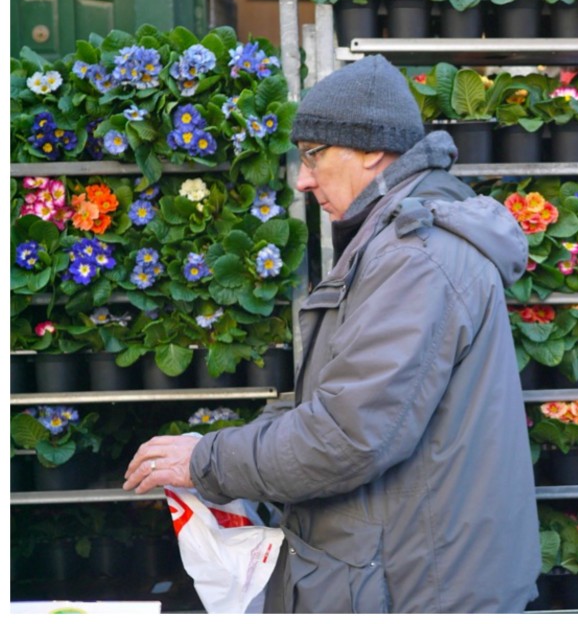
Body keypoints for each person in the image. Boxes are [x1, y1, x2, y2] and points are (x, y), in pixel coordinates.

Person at [124, 54, 541, 613]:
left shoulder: (415, 257)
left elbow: (348, 437)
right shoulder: (402, 242)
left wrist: (208, 461)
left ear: (371, 150)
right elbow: (346, 408)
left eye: (313, 155)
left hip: (420, 591)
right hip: (412, 574)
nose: (302, 178)